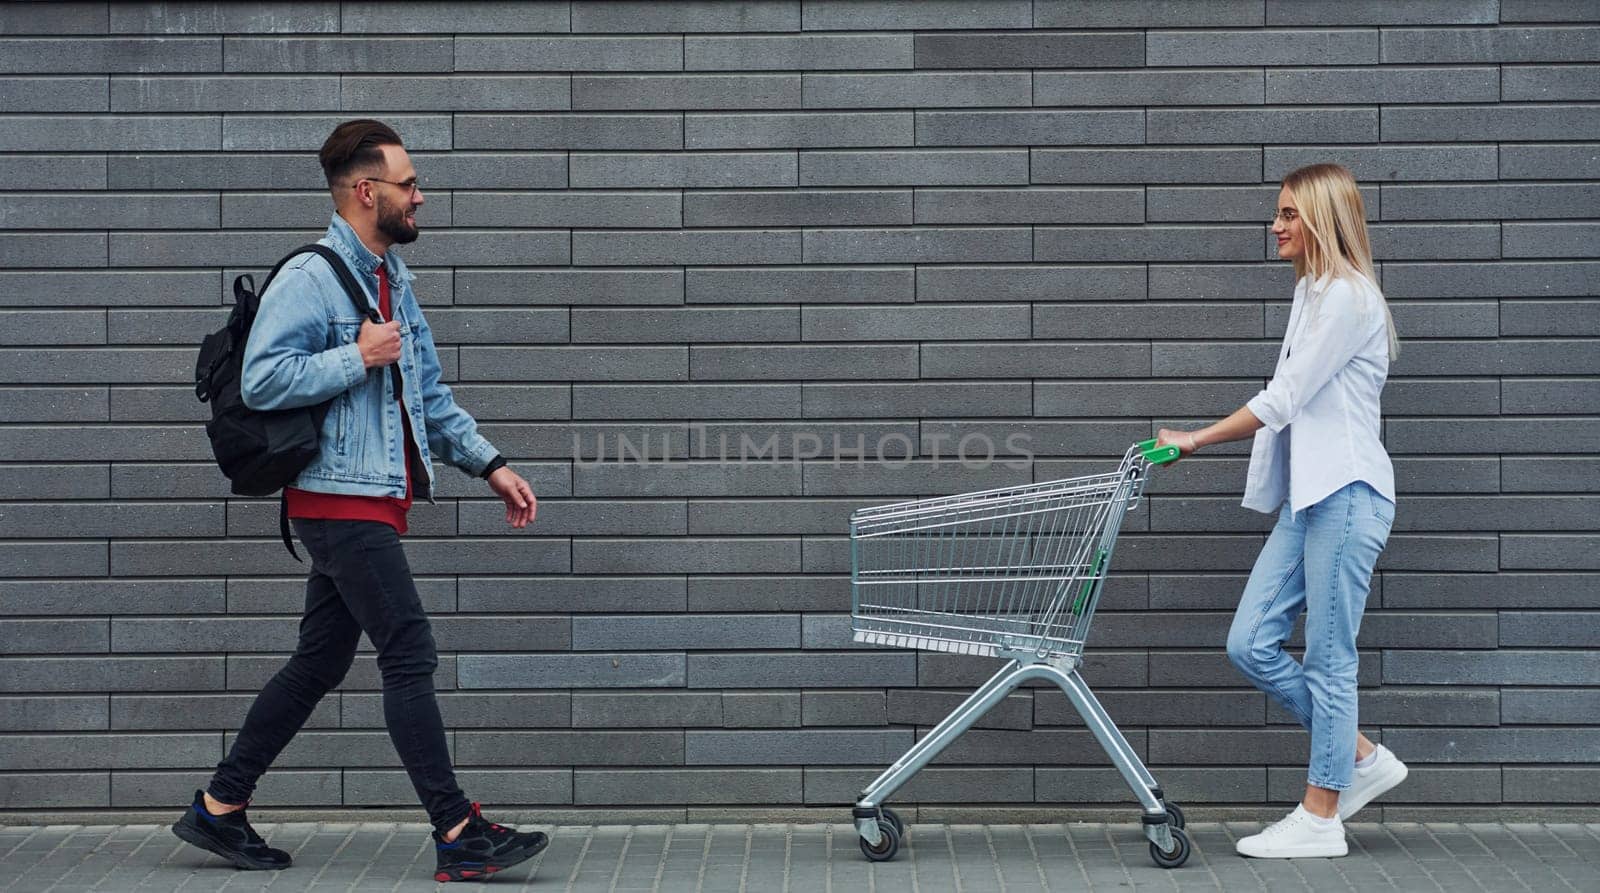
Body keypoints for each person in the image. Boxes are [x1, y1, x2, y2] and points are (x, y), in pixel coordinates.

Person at [170, 119, 547, 884]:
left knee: (319, 659)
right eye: (409, 184)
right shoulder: (312, 277)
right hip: (336, 499)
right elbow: (262, 380)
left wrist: (491, 464)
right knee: (408, 651)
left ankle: (219, 806)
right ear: (365, 191)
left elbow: (428, 395)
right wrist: (356, 355)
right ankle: (457, 831)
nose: (421, 196)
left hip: (367, 498)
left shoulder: (392, 280)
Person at [1155, 163, 1407, 859]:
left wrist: (1196, 438)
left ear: (1322, 220)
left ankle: (1322, 813)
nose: (1276, 224)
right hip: (1309, 499)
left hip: (1348, 497)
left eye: (1290, 214)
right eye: (1279, 212)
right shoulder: (1313, 294)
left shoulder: (1348, 298)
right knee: (1250, 641)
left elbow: (1283, 398)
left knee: (1330, 660)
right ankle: (1358, 754)